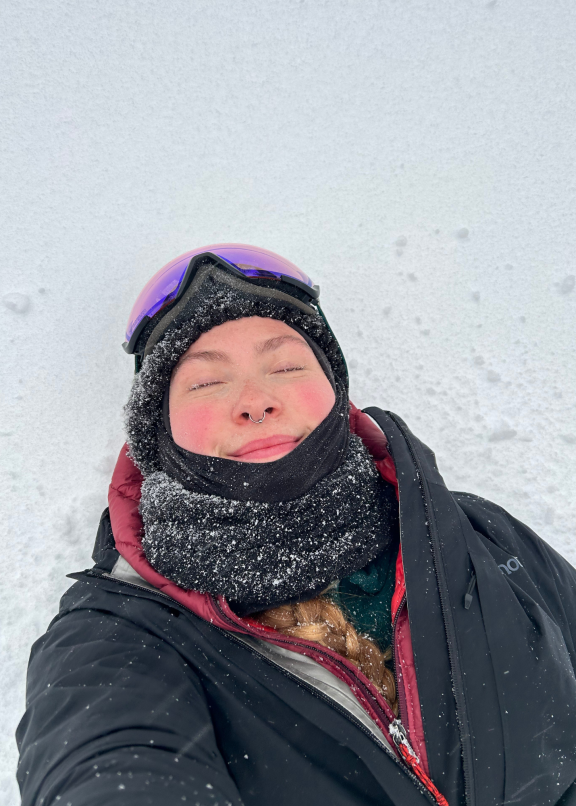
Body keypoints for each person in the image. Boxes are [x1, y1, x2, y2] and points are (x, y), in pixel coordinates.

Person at [16, 244, 576, 806]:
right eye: (206, 383)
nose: (256, 401)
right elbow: (106, 764)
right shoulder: (117, 638)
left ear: (336, 390)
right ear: (156, 435)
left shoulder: (485, 538)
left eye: (285, 366)